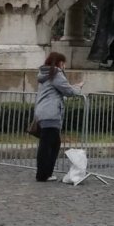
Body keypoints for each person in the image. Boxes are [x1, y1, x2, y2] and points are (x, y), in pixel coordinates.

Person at [33, 51, 82, 182]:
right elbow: (68, 91)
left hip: (43, 111)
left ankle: (44, 173)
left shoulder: (44, 74)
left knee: (49, 144)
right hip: (51, 112)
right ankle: (43, 174)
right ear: (60, 63)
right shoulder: (56, 73)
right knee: (49, 145)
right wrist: (78, 87)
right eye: (64, 63)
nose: (64, 65)